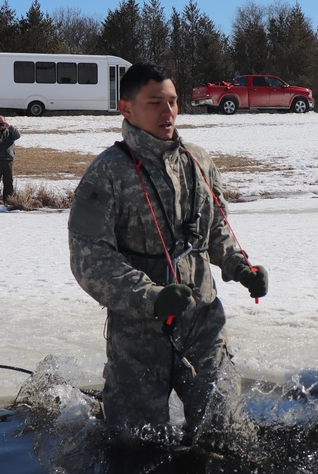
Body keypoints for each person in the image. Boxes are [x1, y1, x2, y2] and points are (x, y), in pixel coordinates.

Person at [68, 62, 268, 447]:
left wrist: (239, 266)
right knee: (136, 447)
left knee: (225, 433)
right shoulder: (106, 173)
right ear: (126, 108)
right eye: (155, 102)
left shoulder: (198, 161)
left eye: (173, 101)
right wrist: (152, 297)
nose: (169, 112)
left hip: (203, 322)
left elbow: (215, 228)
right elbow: (89, 259)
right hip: (139, 334)